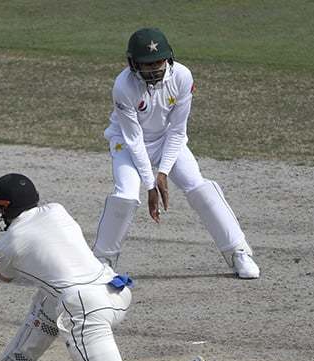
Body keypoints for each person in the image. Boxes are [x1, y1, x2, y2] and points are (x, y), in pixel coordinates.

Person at [0, 173, 223, 361]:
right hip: (115, 289)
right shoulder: (57, 210)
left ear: (7, 207)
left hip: (85, 306)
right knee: (48, 300)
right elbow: (44, 251)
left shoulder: (10, 242)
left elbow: (4, 275)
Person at [92, 27, 260, 279]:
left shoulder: (182, 76)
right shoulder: (123, 86)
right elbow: (134, 138)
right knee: (126, 195)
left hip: (167, 139)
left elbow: (178, 131)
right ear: (133, 64)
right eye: (146, 64)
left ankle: (238, 252)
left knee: (198, 186)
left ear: (168, 58)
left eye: (158, 62)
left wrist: (163, 173)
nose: (154, 69)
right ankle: (102, 261)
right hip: (126, 144)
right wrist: (150, 183)